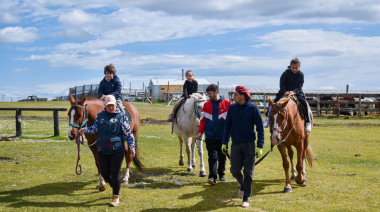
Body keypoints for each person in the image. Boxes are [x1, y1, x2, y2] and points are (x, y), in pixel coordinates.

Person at [79, 95, 135, 207]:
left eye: (112, 105)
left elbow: (128, 133)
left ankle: (115, 197)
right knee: (104, 174)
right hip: (102, 149)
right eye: (108, 105)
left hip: (117, 149)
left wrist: (132, 147)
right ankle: (116, 186)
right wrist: (84, 130)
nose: (110, 107)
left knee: (115, 173)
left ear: (115, 105)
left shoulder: (121, 117)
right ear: (105, 105)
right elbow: (95, 128)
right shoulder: (100, 116)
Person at [221, 86, 264, 208]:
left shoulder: (253, 109)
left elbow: (260, 128)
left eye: (235, 94)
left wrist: (260, 146)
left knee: (248, 172)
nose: (233, 96)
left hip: (249, 145)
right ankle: (244, 186)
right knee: (234, 170)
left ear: (242, 96)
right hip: (235, 144)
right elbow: (227, 126)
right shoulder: (232, 108)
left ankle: (245, 198)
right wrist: (224, 142)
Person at [263, 57, 312, 131]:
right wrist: (285, 91)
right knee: (273, 103)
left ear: (299, 67)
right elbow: (282, 84)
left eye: (296, 68)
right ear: (290, 66)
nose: (295, 69)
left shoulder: (301, 74)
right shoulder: (285, 73)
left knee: (305, 103)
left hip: (297, 92)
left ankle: (308, 121)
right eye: (293, 68)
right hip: (284, 92)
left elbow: (300, 86)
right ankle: (267, 118)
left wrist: (293, 92)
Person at [196, 84, 231, 185]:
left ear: (216, 92)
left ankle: (222, 174)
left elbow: (232, 119)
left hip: (223, 136)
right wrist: (200, 132)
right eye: (207, 94)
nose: (208, 96)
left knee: (222, 156)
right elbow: (202, 120)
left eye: (210, 93)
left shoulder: (227, 103)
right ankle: (212, 176)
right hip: (210, 135)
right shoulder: (206, 105)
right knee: (212, 156)